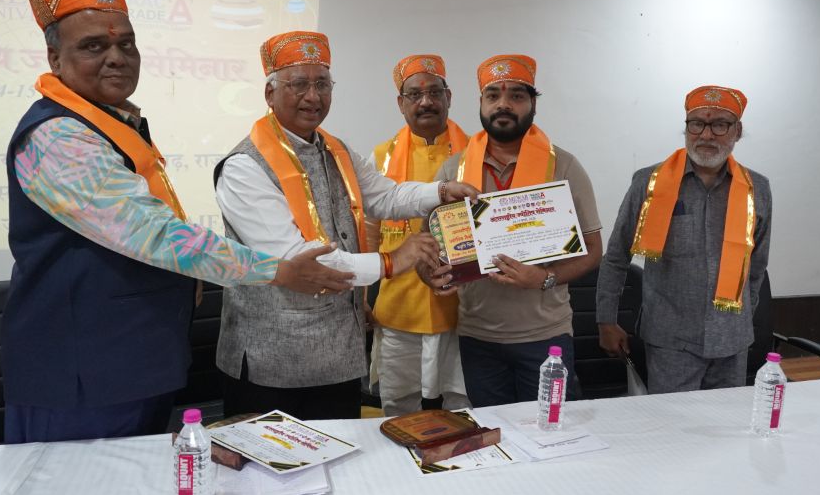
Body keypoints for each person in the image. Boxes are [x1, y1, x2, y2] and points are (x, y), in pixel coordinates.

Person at [4, 0, 353, 444]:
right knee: (76, 489)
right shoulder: (58, 136)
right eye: (93, 46)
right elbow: (156, 235)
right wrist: (280, 270)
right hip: (80, 374)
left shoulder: (110, 122)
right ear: (54, 58)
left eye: (127, 44)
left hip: (129, 360)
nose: (116, 57)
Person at [214, 32, 478, 420]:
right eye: (299, 84)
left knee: (342, 452)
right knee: (271, 457)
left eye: (323, 84)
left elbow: (386, 196)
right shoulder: (244, 166)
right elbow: (301, 262)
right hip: (273, 360)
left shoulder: (335, 150)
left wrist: (440, 190)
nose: (313, 96)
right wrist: (391, 262)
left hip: (337, 353)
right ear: (270, 93)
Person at [425, 54, 603, 407]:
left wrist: (544, 278)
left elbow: (594, 250)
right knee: (495, 430)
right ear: (481, 103)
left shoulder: (564, 166)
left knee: (551, 430)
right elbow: (429, 249)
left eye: (517, 96)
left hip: (546, 338)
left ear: (533, 104)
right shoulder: (453, 171)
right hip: (479, 338)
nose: (503, 104)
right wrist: (432, 275)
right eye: (493, 95)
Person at [595, 85, 772, 394]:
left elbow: (756, 267)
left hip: (731, 342)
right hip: (670, 341)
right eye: (697, 124)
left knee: (725, 420)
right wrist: (605, 320)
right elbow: (616, 255)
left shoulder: (757, 188)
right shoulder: (649, 183)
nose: (707, 135)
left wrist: (740, 320)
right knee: (671, 420)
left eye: (720, 125)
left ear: (738, 131)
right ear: (686, 128)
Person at [367, 54, 471, 416]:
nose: (425, 102)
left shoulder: (474, 153)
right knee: (398, 404)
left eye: (434, 92)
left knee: (463, 403)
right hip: (400, 303)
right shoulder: (380, 157)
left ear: (448, 97)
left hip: (462, 305)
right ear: (401, 103)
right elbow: (369, 229)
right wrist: (361, 297)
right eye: (414, 94)